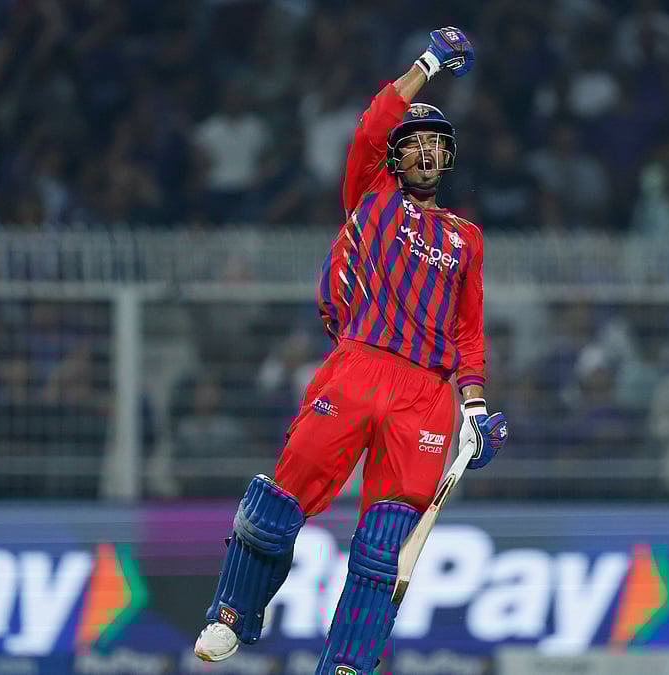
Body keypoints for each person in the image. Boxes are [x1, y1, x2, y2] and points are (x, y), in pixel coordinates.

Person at [193, 27, 509, 674]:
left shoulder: (466, 238)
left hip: (425, 397)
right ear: (395, 158)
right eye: (414, 143)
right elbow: (373, 124)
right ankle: (231, 614)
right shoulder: (371, 193)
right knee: (281, 501)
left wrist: (474, 410)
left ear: (447, 158)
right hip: (360, 364)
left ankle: (348, 664)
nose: (423, 152)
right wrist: (427, 63)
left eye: (434, 145)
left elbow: (470, 332)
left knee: (382, 547)